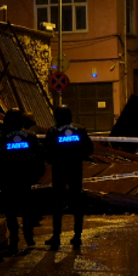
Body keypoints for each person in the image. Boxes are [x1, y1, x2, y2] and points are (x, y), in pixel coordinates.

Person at [43, 106, 94, 251]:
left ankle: (56, 237)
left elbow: (47, 152)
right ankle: (77, 236)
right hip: (75, 170)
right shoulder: (80, 129)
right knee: (77, 202)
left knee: (57, 204)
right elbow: (89, 148)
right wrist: (79, 157)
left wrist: (54, 160)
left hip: (59, 171)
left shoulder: (53, 131)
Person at [0, 108, 45, 255]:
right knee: (26, 210)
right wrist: (35, 175)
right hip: (25, 178)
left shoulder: (2, 137)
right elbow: (40, 155)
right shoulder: (30, 136)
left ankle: (14, 242)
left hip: (8, 179)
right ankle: (29, 240)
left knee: (11, 212)